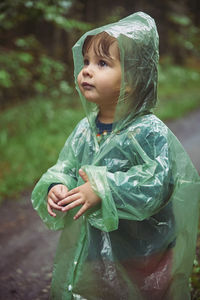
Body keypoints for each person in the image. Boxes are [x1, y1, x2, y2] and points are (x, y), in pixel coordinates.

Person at [31, 12, 200, 300]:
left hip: (146, 252)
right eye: (85, 62)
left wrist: (104, 187)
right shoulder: (86, 129)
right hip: (98, 252)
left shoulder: (148, 132)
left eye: (102, 63)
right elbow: (67, 166)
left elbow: (156, 184)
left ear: (133, 78)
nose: (86, 70)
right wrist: (57, 186)